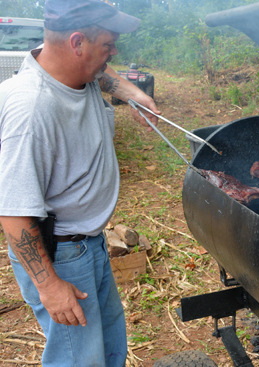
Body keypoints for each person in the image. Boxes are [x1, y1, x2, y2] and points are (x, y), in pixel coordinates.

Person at [0, 0, 160, 365]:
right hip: (60, 256)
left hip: (88, 244)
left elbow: (102, 72)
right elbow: (12, 213)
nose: (114, 52)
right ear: (77, 43)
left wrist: (134, 95)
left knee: (107, 346)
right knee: (79, 359)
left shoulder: (76, 72)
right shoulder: (32, 110)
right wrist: (50, 287)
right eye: (109, 44)